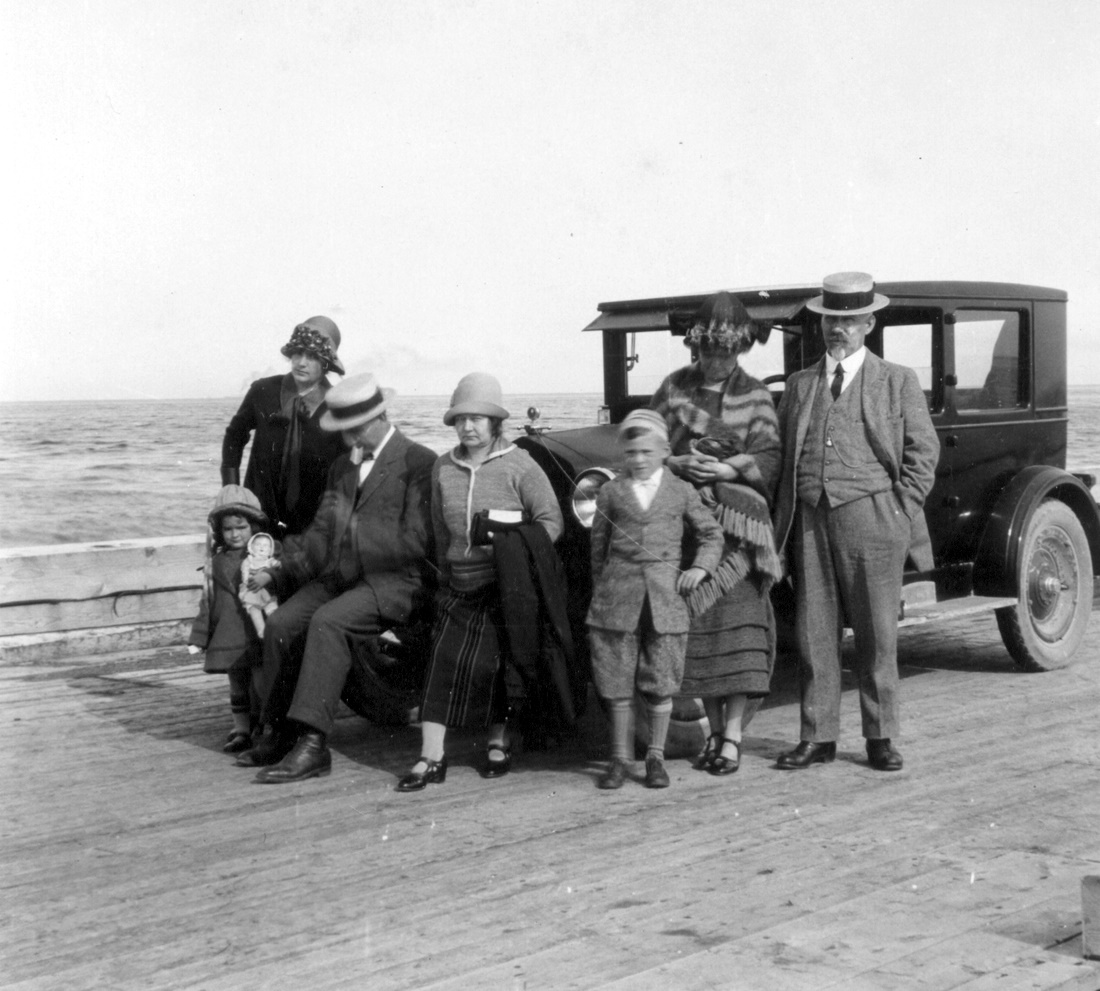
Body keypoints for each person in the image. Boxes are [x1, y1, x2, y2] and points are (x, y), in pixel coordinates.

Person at [773, 272, 939, 772]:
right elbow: (782, 456)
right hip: (809, 520)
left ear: (869, 322)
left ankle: (880, 737)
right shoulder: (801, 385)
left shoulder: (897, 380)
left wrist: (897, 509)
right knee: (813, 633)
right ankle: (818, 737)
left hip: (873, 517)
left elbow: (922, 453)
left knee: (876, 634)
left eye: (848, 320)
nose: (837, 329)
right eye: (829, 320)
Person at [237, 373, 437, 783]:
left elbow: (416, 541)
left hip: (394, 584)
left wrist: (353, 529)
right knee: (280, 624)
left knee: (328, 623)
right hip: (343, 579)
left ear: (381, 416)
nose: (348, 439)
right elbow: (321, 535)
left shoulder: (420, 462)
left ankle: (313, 746)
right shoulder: (342, 467)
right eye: (344, 430)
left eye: (355, 429)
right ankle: (281, 730)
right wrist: (278, 572)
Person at [397, 372, 568, 792]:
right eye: (460, 419)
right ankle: (431, 756)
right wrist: (443, 577)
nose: (467, 426)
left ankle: (498, 742)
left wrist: (514, 550)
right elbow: (440, 530)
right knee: (440, 665)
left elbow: (552, 521)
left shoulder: (520, 466)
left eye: (477, 418)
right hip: (458, 584)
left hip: (505, 587)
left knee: (497, 667)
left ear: (495, 423)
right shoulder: (443, 468)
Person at [649, 291, 783, 777]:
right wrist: (674, 461)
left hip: (740, 535)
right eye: (708, 348)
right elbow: (641, 440)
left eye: (726, 350)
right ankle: (713, 736)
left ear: (741, 347)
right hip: (689, 528)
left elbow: (770, 458)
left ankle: (733, 738)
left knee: (740, 632)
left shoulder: (756, 395)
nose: (716, 358)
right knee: (700, 634)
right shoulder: (673, 388)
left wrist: (729, 471)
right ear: (696, 345)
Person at [586, 410, 725, 790]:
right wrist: (605, 592)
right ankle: (618, 760)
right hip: (617, 603)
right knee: (616, 682)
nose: (639, 459)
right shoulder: (611, 491)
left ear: (665, 451)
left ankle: (655, 759)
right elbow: (598, 550)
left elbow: (712, 535)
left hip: (666, 602)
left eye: (647, 451)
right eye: (631, 452)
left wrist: (700, 568)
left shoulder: (681, 490)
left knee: (661, 682)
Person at [221, 316, 347, 538]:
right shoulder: (263, 390)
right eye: (297, 353)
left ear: (326, 364)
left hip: (312, 524)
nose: (301, 363)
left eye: (312, 357)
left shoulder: (337, 405)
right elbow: (234, 436)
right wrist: (232, 491)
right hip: (258, 513)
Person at [187, 485, 272, 753]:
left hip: (256, 632)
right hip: (229, 633)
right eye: (228, 529)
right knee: (237, 684)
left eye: (241, 526)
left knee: (261, 683)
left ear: (255, 526)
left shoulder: (265, 558)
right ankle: (241, 730)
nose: (235, 534)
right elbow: (207, 602)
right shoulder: (215, 563)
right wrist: (199, 637)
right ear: (219, 532)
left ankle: (266, 725)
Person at [239, 532, 279, 637]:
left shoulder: (269, 561)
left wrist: (277, 564)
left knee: (271, 607)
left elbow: (277, 567)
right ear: (251, 547)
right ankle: (261, 630)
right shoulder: (249, 560)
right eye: (258, 544)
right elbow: (245, 570)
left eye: (265, 545)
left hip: (266, 589)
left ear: (270, 550)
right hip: (252, 588)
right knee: (253, 608)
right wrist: (245, 580)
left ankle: (275, 627)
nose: (261, 547)